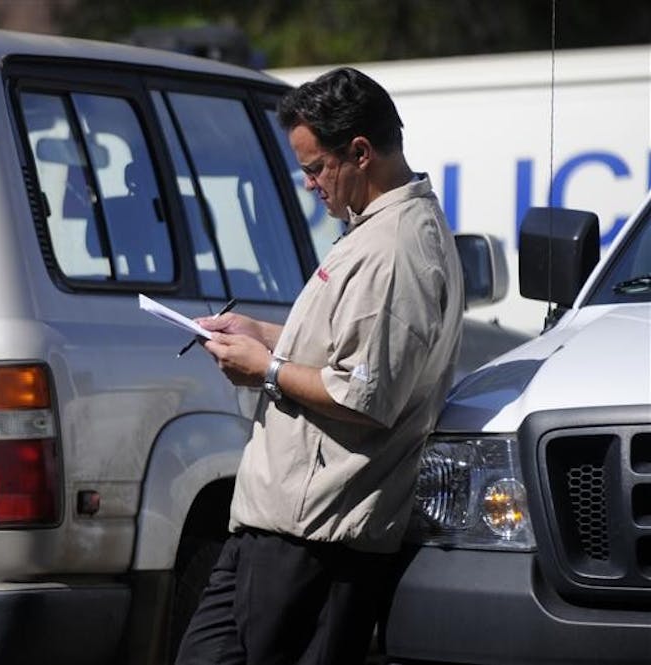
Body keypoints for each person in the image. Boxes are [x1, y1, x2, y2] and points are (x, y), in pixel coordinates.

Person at [174, 67, 464, 665]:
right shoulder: (378, 232)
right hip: (283, 525)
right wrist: (262, 333)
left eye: (315, 168)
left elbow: (364, 395)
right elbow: (349, 349)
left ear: (360, 153)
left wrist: (266, 369)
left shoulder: (393, 250)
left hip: (317, 537)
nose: (309, 185)